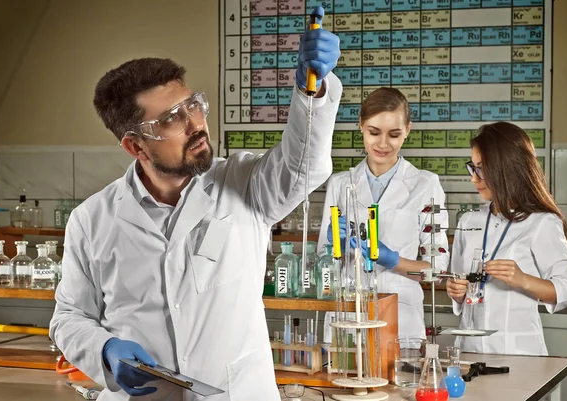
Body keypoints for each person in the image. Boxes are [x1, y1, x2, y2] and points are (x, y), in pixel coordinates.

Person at [49, 7, 341, 400]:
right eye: (172, 119)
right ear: (135, 146)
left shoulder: (244, 185)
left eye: (193, 105)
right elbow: (68, 317)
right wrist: (104, 349)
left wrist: (311, 91)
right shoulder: (91, 220)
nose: (196, 124)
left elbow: (303, 167)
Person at [318, 87, 449, 341]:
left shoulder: (426, 185)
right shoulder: (339, 184)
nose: (383, 144)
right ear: (361, 126)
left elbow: (437, 271)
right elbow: (322, 269)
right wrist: (334, 249)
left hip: (401, 322)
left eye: (394, 134)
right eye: (374, 132)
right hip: (346, 317)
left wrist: (393, 260)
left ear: (408, 130)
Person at [446, 122, 567, 355]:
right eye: (473, 168)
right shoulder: (469, 222)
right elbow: (459, 283)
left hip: (519, 355)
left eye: (482, 169)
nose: (474, 178)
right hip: (469, 352)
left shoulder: (541, 223)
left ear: (505, 170)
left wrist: (522, 279)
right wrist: (455, 291)